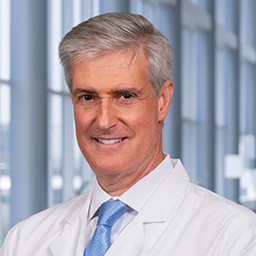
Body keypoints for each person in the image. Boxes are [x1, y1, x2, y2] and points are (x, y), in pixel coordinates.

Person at [1, 12, 256, 256]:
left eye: (125, 96)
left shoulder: (238, 237)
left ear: (163, 101)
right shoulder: (24, 240)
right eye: (87, 97)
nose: (104, 121)